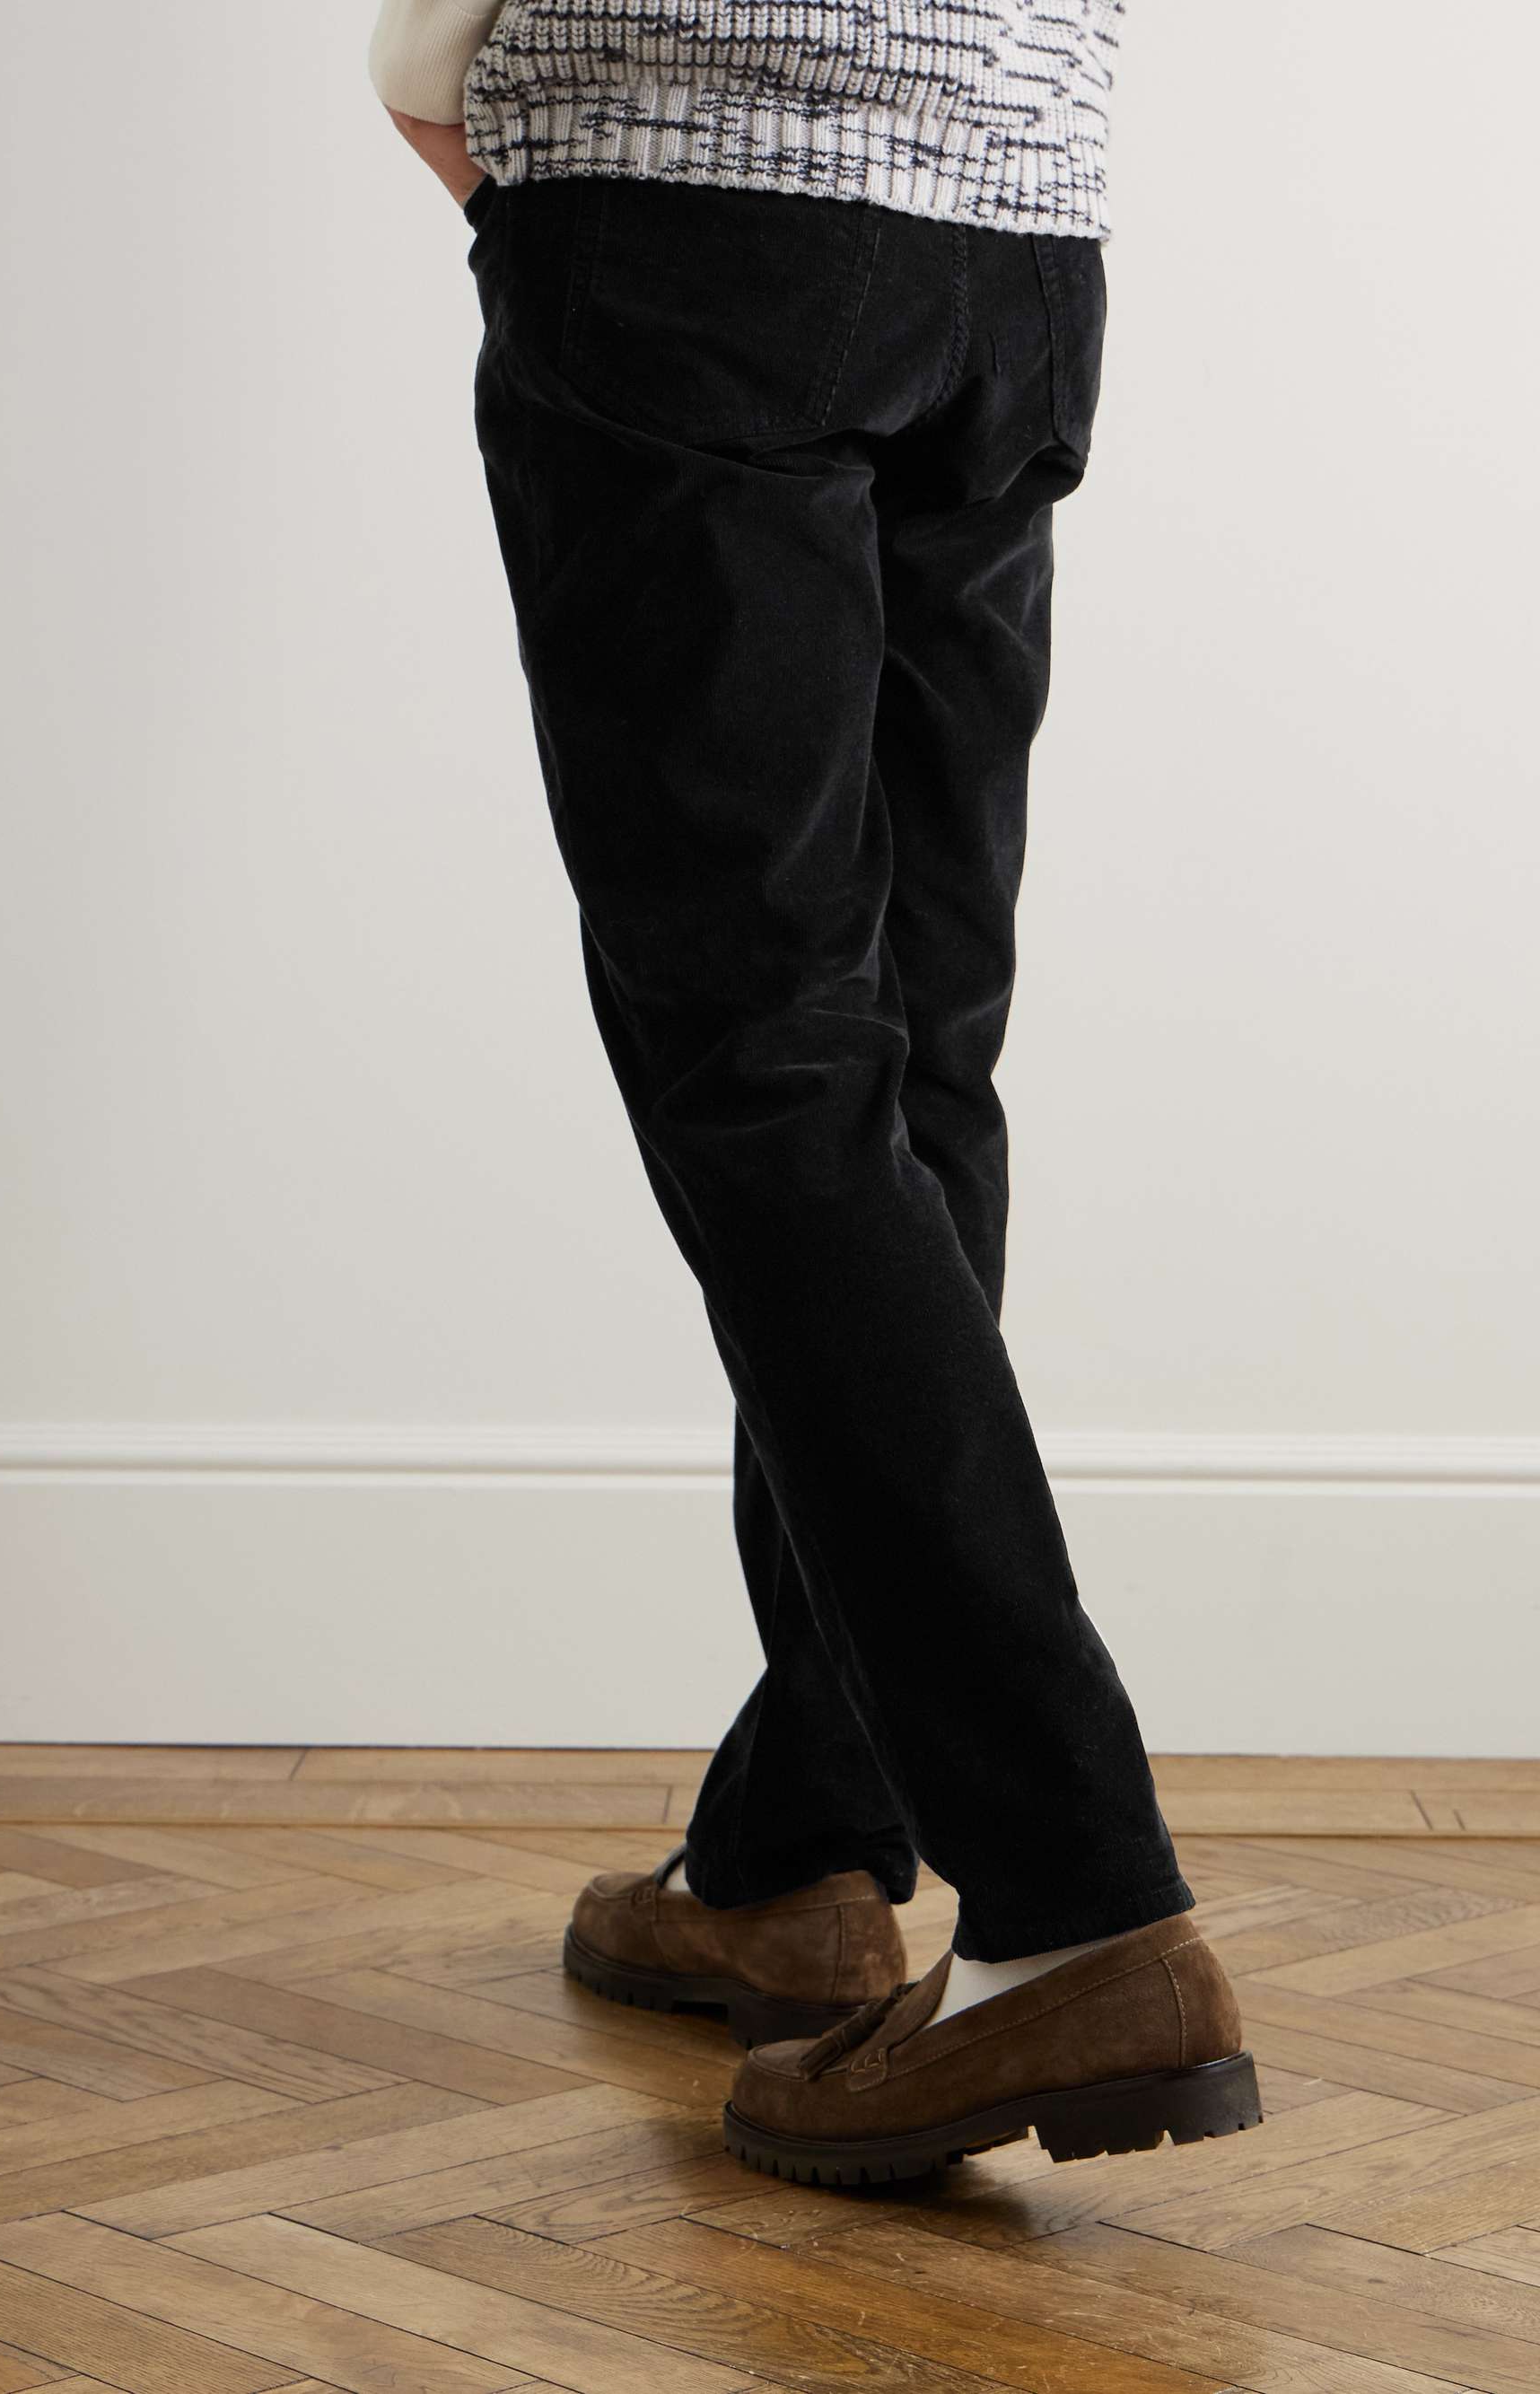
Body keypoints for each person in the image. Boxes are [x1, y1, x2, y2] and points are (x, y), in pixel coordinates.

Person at [368, 0, 1262, 2181]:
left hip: (693, 201)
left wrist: (418, 72)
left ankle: (1077, 1904)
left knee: (773, 1072)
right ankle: (796, 1848)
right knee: (903, 1066)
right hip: (1012, 241)